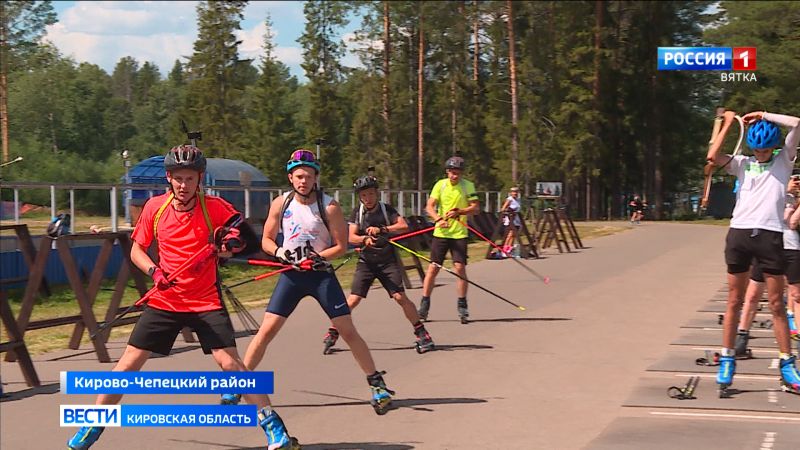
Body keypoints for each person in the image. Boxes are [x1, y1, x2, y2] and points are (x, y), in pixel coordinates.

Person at [67, 145, 299, 450]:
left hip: (205, 299)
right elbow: (137, 249)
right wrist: (155, 271)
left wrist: (231, 242)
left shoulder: (213, 207)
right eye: (178, 178)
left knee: (229, 364)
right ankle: (92, 426)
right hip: (166, 299)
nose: (183, 185)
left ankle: (274, 428)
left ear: (199, 178)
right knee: (128, 365)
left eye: (189, 178)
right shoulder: (155, 208)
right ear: (168, 177)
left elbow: (248, 238)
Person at [236, 150, 394, 415]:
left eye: (308, 176)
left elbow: (341, 246)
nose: (303, 181)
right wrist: (280, 252)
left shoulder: (329, 206)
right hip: (292, 275)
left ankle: (377, 384)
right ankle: (238, 385)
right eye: (299, 176)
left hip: (320, 275)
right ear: (290, 177)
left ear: (315, 178)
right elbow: (266, 240)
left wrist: (318, 257)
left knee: (346, 330)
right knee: (266, 331)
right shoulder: (281, 204)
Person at [707, 110, 800, 396]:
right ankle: (727, 358)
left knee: (775, 303)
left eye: (765, 149)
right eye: (757, 149)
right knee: (734, 300)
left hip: (770, 235)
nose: (760, 153)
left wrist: (764, 114)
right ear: (751, 147)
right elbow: (712, 159)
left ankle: (787, 364)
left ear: (773, 146)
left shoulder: (784, 160)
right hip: (739, 234)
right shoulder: (742, 164)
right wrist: (726, 124)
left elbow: (798, 123)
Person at [322, 175, 434, 355]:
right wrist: (364, 239)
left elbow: (403, 226)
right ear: (360, 196)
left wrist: (382, 229)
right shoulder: (357, 212)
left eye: (371, 194)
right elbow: (351, 237)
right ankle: (333, 332)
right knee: (353, 299)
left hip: (387, 261)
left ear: (377, 194)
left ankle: (422, 333)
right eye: (364, 195)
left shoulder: (386, 209)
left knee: (400, 297)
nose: (368, 198)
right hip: (366, 262)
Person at [417, 155, 480, 324]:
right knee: (433, 268)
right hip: (442, 233)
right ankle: (424, 304)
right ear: (447, 172)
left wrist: (460, 211)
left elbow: (475, 208)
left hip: (459, 234)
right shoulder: (440, 185)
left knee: (460, 268)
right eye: (452, 172)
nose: (455, 176)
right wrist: (438, 219)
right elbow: (429, 206)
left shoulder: (467, 186)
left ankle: (462, 305)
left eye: (458, 173)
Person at [500, 187, 522, 257]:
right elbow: (503, 209)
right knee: (510, 234)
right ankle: (505, 249)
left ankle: (510, 249)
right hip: (510, 219)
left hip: (517, 219)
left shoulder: (518, 200)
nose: (515, 193)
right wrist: (509, 211)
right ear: (511, 193)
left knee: (514, 235)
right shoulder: (509, 199)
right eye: (513, 192)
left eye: (516, 192)